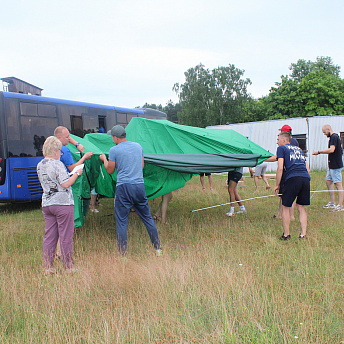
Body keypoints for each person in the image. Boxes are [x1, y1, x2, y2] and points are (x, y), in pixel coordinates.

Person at [99, 125, 162, 256]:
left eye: (112, 137)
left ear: (115, 137)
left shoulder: (114, 150)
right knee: (147, 218)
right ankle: (158, 249)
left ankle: (123, 255)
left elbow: (110, 170)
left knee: (122, 221)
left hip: (123, 188)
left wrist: (104, 160)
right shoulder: (138, 147)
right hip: (139, 186)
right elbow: (142, 165)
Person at [37, 136, 83, 275]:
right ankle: (69, 267)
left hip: (47, 203)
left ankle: (48, 267)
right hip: (63, 203)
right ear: (56, 150)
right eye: (60, 152)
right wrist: (76, 174)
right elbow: (65, 183)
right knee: (66, 235)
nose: (60, 154)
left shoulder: (40, 165)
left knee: (50, 235)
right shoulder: (58, 164)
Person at [274, 131, 310, 240]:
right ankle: (303, 234)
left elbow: (280, 167)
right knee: (301, 207)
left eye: (278, 139)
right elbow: (307, 168)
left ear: (284, 140)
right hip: (305, 178)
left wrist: (277, 184)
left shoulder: (282, 149)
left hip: (293, 178)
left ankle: (286, 235)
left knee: (285, 207)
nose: (277, 142)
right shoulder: (299, 150)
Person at [266, 125, 299, 219]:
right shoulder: (293, 141)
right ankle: (280, 213)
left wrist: (264, 159)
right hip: (287, 171)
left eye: (281, 132)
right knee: (283, 194)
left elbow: (278, 157)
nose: (277, 141)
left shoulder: (291, 143)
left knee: (289, 195)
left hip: (289, 172)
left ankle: (291, 216)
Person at [312, 124, 344, 212]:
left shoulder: (334, 137)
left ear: (328, 129)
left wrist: (319, 152)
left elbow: (331, 149)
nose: (324, 134)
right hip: (331, 165)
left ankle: (340, 205)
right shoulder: (332, 137)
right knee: (328, 182)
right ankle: (332, 202)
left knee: (338, 184)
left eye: (325, 132)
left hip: (336, 165)